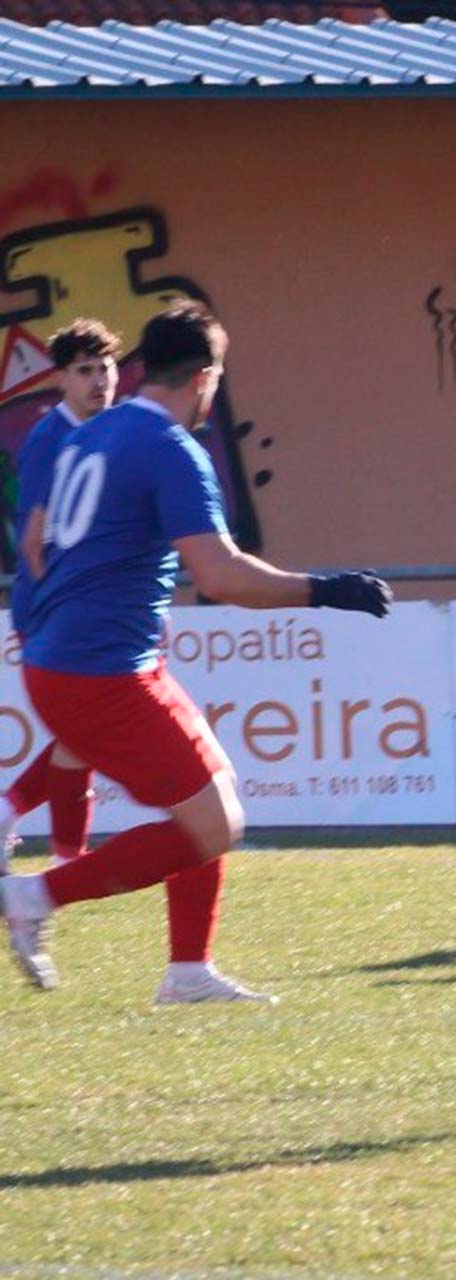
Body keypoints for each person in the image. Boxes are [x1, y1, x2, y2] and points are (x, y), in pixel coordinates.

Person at [0, 302, 393, 999]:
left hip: (78, 658)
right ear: (205, 377)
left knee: (214, 794)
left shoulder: (97, 432)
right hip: (101, 668)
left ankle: (188, 971)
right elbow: (220, 575)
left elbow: (40, 541)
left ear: (143, 368)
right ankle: (32, 897)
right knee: (216, 823)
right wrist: (327, 589)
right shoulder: (171, 448)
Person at [1, 319, 116, 870]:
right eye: (85, 370)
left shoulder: (105, 431)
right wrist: (61, 611)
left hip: (82, 608)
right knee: (86, 732)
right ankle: (64, 857)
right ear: (62, 379)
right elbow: (34, 541)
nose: (99, 380)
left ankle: (59, 852)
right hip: (52, 609)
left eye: (105, 368)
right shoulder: (53, 438)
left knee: (84, 734)